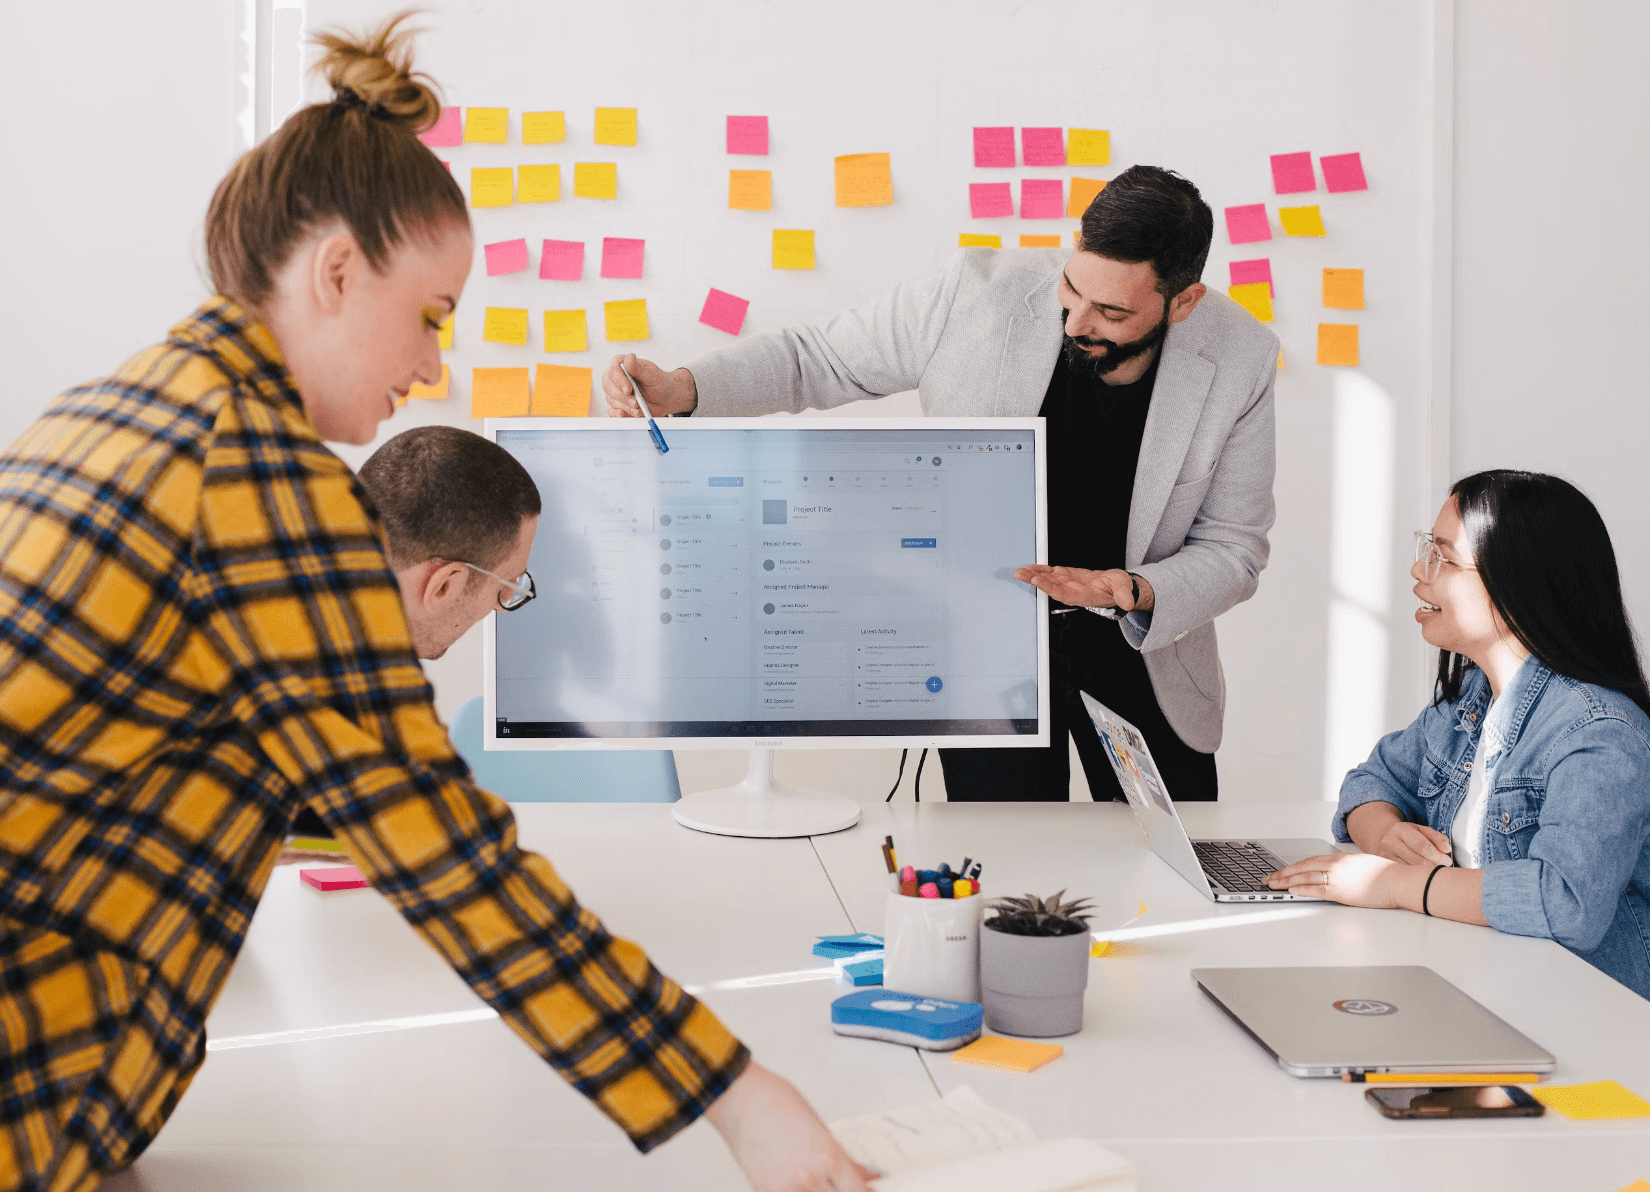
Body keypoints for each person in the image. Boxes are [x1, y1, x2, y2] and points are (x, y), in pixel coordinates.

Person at [0, 15, 868, 1192]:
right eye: (432, 316)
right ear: (338, 272)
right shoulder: (255, 478)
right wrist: (739, 1098)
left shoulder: (108, 406)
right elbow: (448, 858)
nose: (431, 370)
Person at [604, 167, 1278, 804]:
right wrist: (686, 389)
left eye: (1109, 312)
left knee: (1175, 874)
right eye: (1071, 291)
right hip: (984, 649)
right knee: (1010, 881)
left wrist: (1135, 590)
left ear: (1183, 302)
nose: (1075, 323)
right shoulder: (975, 291)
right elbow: (820, 357)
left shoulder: (1240, 356)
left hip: (1142, 648)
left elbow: (1234, 547)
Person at [1266, 471, 1650, 1000]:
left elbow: (1566, 903)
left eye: (1443, 557)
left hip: (1587, 1014)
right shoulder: (1471, 699)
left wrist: (1394, 884)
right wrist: (1384, 837)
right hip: (1490, 984)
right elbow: (1372, 780)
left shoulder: (1599, 734)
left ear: (1517, 584)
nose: (1418, 571)